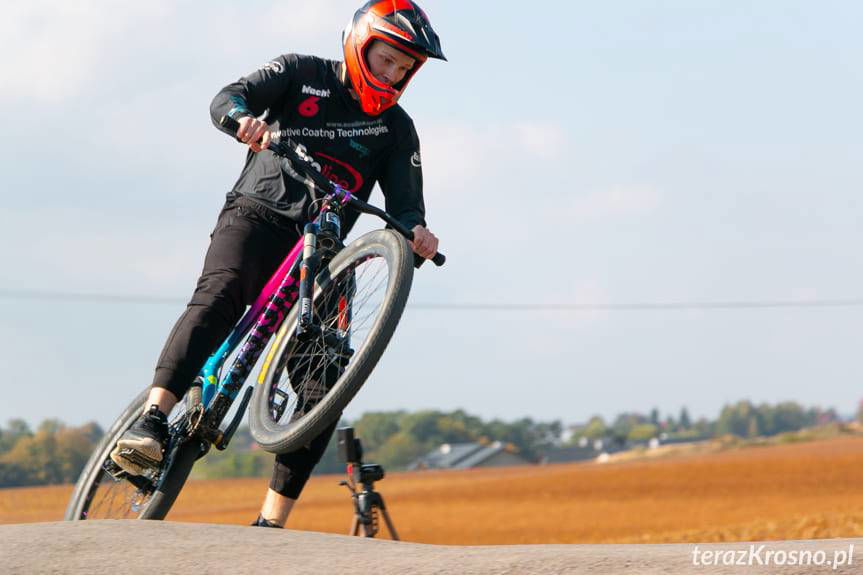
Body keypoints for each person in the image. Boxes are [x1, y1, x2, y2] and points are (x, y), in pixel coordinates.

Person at [109, 0, 445, 528]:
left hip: (327, 254)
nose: (394, 74)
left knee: (324, 383)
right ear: (360, 46)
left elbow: (406, 209)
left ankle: (270, 525)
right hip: (257, 215)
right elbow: (228, 98)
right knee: (221, 294)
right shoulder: (299, 72)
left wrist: (417, 233)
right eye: (387, 60)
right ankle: (153, 420)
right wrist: (243, 121)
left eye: (405, 68)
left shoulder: (397, 130)